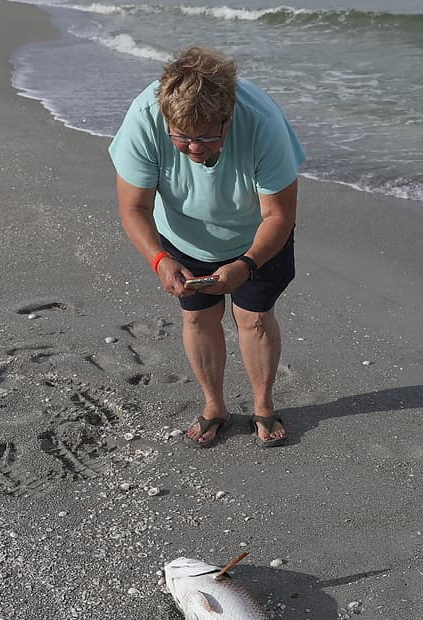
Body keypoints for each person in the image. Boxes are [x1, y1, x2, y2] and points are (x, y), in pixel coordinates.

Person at [109, 46, 305, 448]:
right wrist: (160, 260)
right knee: (198, 317)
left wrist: (246, 265)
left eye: (206, 137)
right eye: (182, 137)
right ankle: (214, 406)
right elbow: (134, 206)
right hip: (183, 235)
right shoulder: (146, 118)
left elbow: (279, 216)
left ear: (228, 116)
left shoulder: (262, 123)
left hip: (257, 236)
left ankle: (263, 406)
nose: (194, 148)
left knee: (253, 316)